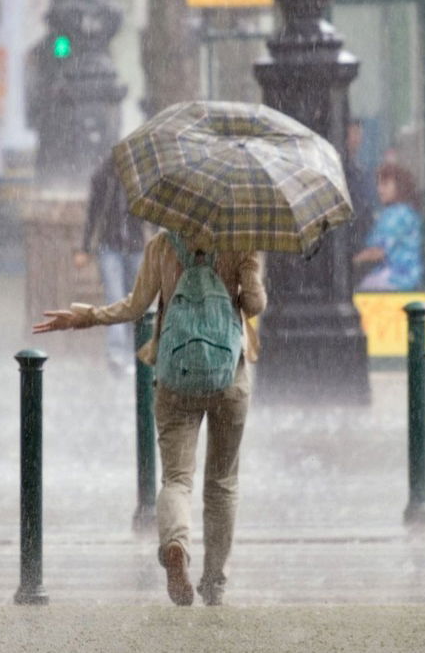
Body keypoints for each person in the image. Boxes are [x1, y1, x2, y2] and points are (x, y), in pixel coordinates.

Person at [32, 230, 265, 607]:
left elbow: (136, 306)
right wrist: (246, 272)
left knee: (176, 478)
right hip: (229, 377)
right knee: (222, 482)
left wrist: (86, 317)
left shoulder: (163, 243)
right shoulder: (241, 239)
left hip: (176, 376)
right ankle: (215, 583)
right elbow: (254, 304)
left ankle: (176, 543)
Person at [75, 162, 148, 377]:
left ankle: (134, 352)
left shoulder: (141, 179)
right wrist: (86, 248)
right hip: (111, 248)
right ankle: (117, 355)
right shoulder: (103, 177)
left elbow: (151, 212)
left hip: (135, 247)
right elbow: (93, 213)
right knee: (116, 299)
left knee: (135, 301)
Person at [354, 161, 424, 291]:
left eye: (385, 184)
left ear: (400, 186)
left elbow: (378, 252)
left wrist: (351, 262)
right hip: (407, 277)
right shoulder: (406, 212)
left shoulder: (396, 216)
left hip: (396, 279)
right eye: (378, 184)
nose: (379, 189)